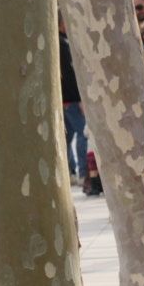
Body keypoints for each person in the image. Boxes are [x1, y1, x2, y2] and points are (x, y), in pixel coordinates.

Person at [57, 15, 88, 186]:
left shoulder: (56, 44)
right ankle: (84, 173)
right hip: (72, 100)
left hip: (63, 100)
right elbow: (71, 76)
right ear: (63, 24)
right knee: (83, 134)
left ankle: (70, 171)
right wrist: (80, 98)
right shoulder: (64, 45)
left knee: (67, 138)